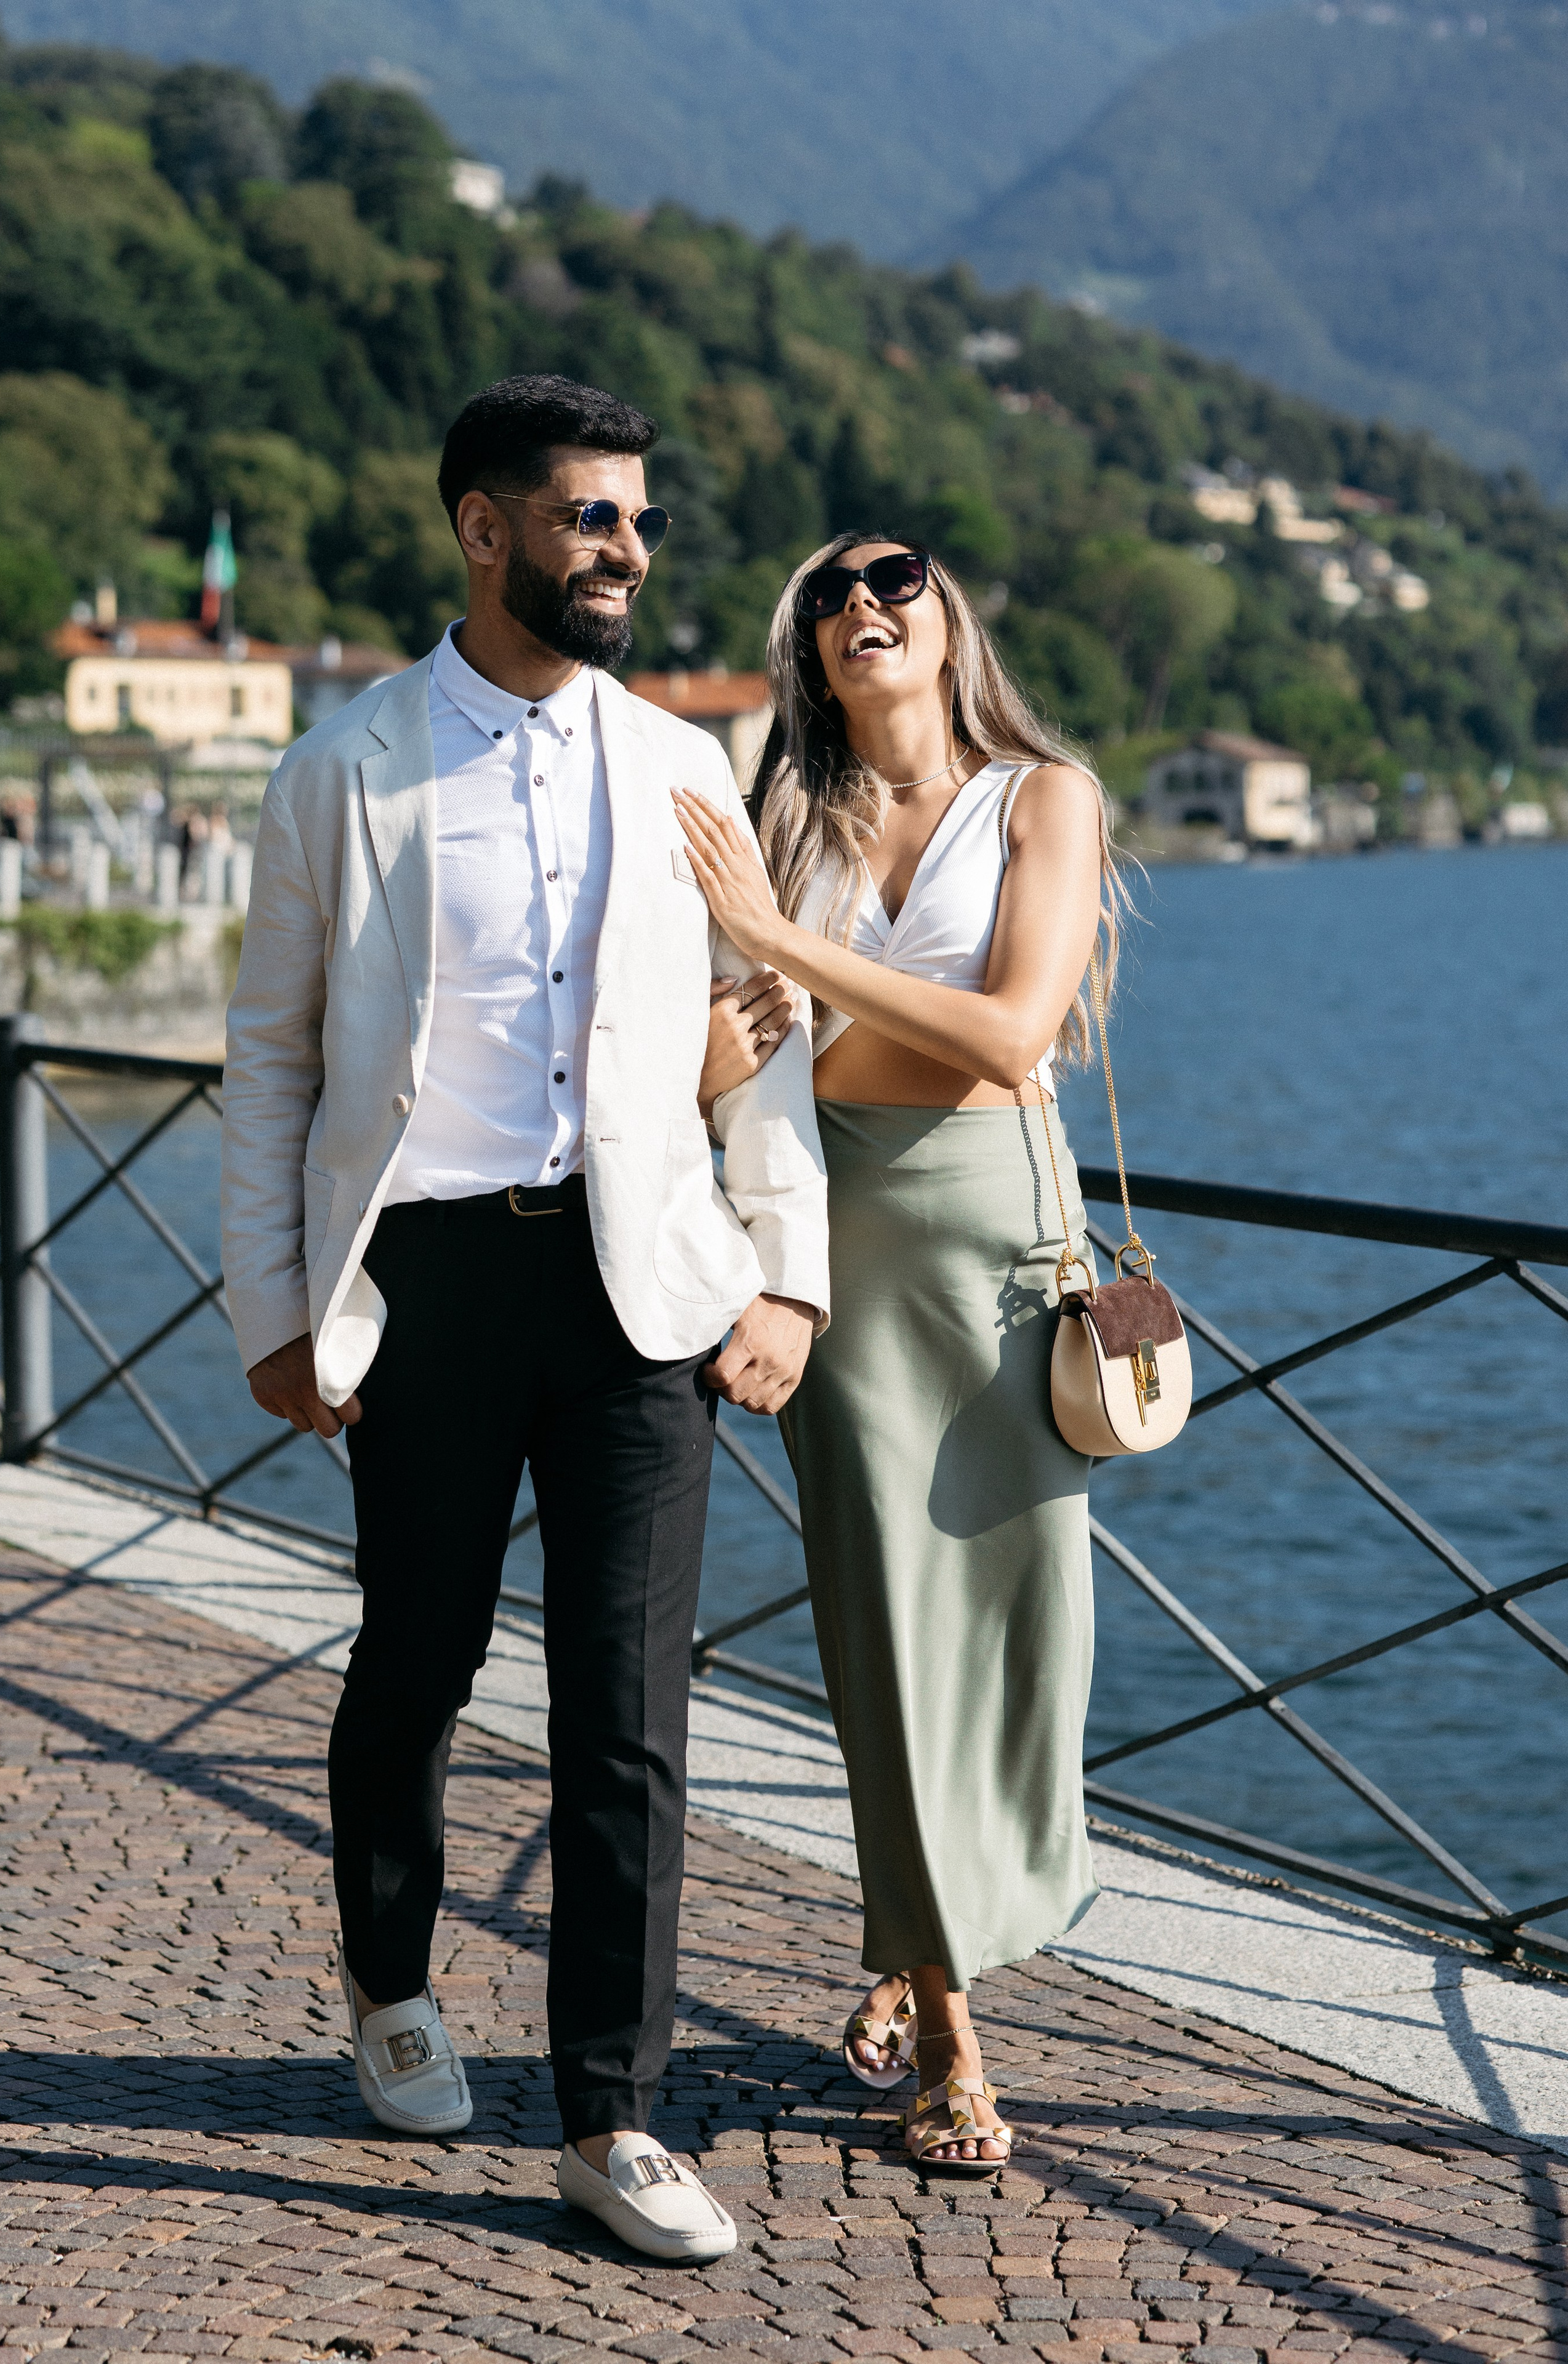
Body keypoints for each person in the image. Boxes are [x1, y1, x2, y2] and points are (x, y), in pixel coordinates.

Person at [220, 374, 829, 2261]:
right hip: (425, 1280)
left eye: (641, 520)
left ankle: (612, 2112)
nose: (628, 552)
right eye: (590, 517)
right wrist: (271, 1309)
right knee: (417, 1659)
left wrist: (787, 1265)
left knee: (628, 1714)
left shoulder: (684, 765)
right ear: (484, 531)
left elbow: (763, 1035)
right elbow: (270, 1060)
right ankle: (394, 1989)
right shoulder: (345, 768)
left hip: (641, 1276)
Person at [670, 531, 1127, 2174]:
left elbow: (1015, 1028)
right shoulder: (778, 814)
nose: (864, 606)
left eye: (896, 580)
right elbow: (729, 1040)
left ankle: (910, 1928)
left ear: (947, 621)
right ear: (809, 649)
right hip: (838, 1250)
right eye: (827, 598)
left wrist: (786, 954)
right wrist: (724, 1044)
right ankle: (951, 2031)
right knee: (881, 1630)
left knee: (1019, 1630)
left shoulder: (1044, 798)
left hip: (1000, 1239)